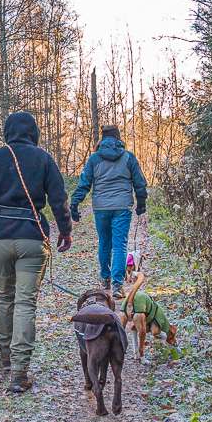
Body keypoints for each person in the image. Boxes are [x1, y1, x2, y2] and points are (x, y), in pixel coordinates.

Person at [0, 111, 72, 393]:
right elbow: (59, 198)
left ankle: (5, 358)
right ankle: (20, 372)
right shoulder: (44, 158)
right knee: (25, 303)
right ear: (33, 132)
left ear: (7, 132)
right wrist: (65, 230)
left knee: (4, 298)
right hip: (32, 238)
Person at [68, 125, 148, 298]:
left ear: (102, 140)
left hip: (101, 208)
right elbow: (139, 183)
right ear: (118, 139)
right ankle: (117, 285)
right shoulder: (128, 157)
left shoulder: (94, 159)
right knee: (120, 245)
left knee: (105, 243)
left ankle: (105, 278)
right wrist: (141, 203)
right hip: (122, 207)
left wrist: (74, 204)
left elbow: (84, 183)